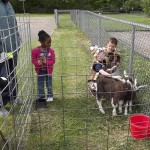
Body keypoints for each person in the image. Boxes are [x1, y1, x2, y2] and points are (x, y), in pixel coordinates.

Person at [0, 0, 21, 105]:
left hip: (12, 48)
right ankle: (2, 104)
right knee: (2, 77)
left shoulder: (8, 4)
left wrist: (18, 39)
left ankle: (13, 98)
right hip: (1, 50)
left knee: (11, 72)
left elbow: (14, 23)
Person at [31, 30, 55, 102]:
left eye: (50, 42)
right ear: (41, 42)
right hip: (40, 71)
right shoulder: (35, 51)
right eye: (48, 42)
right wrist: (38, 62)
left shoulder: (51, 51)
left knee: (49, 84)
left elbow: (53, 61)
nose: (50, 44)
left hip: (48, 71)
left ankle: (50, 96)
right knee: (40, 84)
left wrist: (46, 62)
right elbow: (33, 60)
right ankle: (41, 97)